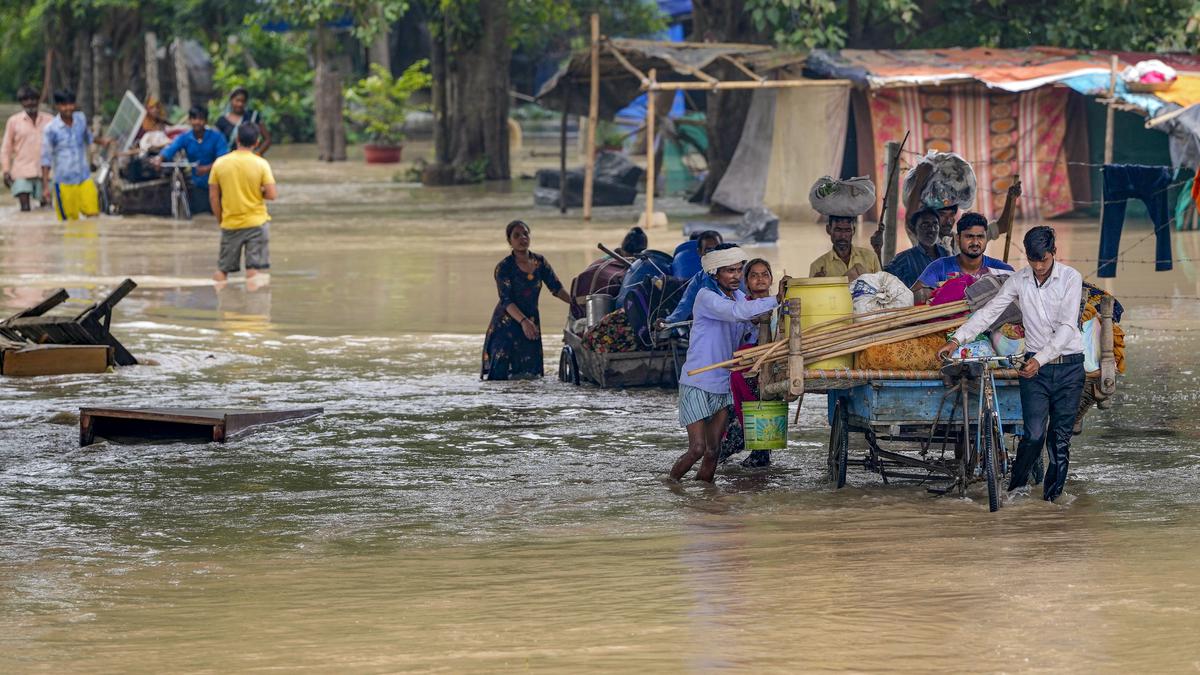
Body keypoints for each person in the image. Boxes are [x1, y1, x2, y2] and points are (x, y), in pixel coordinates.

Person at [937, 226, 1085, 503]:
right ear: (1026, 257)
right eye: (1033, 260)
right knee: (1033, 435)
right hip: (1035, 369)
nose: (1039, 267)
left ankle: (1052, 502)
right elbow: (989, 313)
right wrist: (957, 341)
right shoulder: (1019, 280)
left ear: (1054, 253)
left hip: (1069, 367)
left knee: (1059, 441)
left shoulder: (1070, 278)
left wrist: (1039, 359)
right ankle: (1016, 487)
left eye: (1044, 259)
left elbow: (1067, 328)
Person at [670, 245, 783, 482]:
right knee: (697, 449)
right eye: (730, 271)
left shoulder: (740, 297)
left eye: (739, 270)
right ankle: (671, 486)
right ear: (715, 272)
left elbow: (749, 328)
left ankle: (705, 500)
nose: (736, 276)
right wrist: (777, 299)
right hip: (697, 381)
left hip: (722, 384)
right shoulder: (706, 297)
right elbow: (737, 312)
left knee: (713, 451)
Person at [482, 220, 571, 380]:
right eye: (517, 235)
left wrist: (575, 304)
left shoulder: (540, 262)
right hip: (506, 325)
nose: (522, 238)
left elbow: (556, 288)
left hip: (531, 322)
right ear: (510, 241)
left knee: (530, 376)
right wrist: (524, 322)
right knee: (500, 379)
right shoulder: (504, 267)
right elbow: (506, 300)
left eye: (525, 234)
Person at [720, 258, 777, 468]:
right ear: (747, 281)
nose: (760, 279)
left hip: (771, 361)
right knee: (741, 361)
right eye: (754, 275)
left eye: (765, 274)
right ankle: (747, 435)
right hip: (746, 366)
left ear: (771, 279)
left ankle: (758, 447)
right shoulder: (740, 306)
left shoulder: (780, 305)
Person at [208, 123, 275, 283]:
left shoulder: (220, 163)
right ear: (257, 142)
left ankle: (223, 304)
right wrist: (257, 191)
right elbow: (272, 194)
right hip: (257, 223)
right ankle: (254, 307)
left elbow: (213, 197)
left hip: (231, 223)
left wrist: (221, 220)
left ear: (237, 139)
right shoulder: (261, 163)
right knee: (253, 272)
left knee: (222, 271)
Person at [911, 212, 1014, 304]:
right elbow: (912, 295)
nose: (975, 242)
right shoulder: (939, 267)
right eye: (969, 236)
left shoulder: (1002, 270)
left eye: (980, 237)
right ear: (958, 238)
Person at [40, 88, 103, 221]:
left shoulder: (81, 119)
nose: (68, 108)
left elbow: (89, 137)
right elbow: (46, 158)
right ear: (57, 106)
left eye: (70, 104)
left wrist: (103, 142)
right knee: (69, 222)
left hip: (84, 177)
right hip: (64, 182)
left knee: (93, 215)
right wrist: (45, 187)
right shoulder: (51, 129)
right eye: (64, 105)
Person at [157, 106, 229, 214]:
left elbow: (224, 159)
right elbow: (171, 148)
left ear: (205, 121)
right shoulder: (185, 137)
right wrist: (159, 158)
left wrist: (207, 168)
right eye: (194, 119)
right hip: (199, 184)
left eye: (200, 119)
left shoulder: (217, 137)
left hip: (218, 183)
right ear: (190, 120)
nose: (197, 122)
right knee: (201, 215)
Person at [2, 85, 53, 211]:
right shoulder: (13, 122)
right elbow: (6, 148)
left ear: (38, 100)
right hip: (22, 172)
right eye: (26, 100)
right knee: (25, 209)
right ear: (22, 103)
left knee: (46, 209)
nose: (30, 103)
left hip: (45, 173)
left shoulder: (50, 120)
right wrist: (6, 170)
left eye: (33, 99)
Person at [660, 231, 724, 326]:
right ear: (700, 253)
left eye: (717, 249)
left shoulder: (736, 272)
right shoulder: (699, 279)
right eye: (708, 250)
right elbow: (685, 305)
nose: (713, 254)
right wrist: (668, 321)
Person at [884, 208, 950, 288]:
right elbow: (883, 279)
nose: (932, 230)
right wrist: (877, 251)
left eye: (935, 224)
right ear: (914, 230)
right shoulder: (904, 259)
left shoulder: (945, 253)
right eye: (925, 225)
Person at [809, 214, 881, 281]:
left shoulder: (871, 258)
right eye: (838, 230)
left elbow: (882, 289)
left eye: (847, 230)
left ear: (853, 231)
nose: (843, 236)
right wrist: (817, 283)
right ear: (828, 230)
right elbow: (811, 294)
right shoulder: (817, 266)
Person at [216, 88, 271, 155]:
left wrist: (257, 154)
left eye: (243, 101)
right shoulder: (222, 120)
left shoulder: (253, 116)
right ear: (231, 100)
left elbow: (267, 139)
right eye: (237, 100)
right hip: (229, 161)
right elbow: (215, 142)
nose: (240, 104)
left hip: (249, 160)